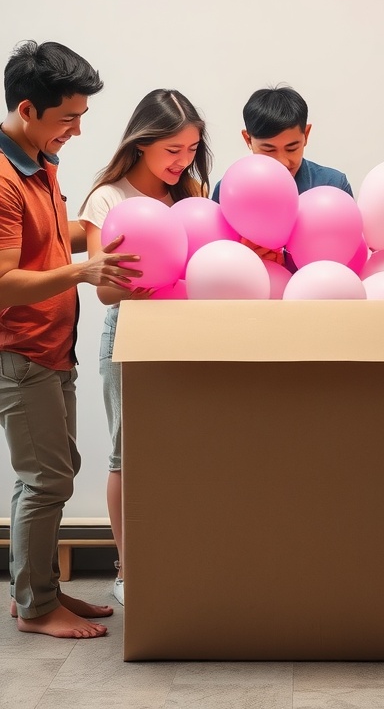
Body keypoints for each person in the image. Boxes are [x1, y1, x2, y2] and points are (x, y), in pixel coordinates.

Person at [0, 40, 142, 639]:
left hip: (54, 349)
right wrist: (81, 273)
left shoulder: (40, 161)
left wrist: (105, 228)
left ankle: (37, 593)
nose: (78, 131)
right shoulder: (6, 178)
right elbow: (5, 282)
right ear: (28, 109)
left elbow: (59, 236)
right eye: (69, 119)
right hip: (22, 352)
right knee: (48, 480)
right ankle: (36, 608)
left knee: (50, 473)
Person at [79, 89, 212, 605]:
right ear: (141, 143)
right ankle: (129, 569)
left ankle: (187, 558)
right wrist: (156, 278)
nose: (182, 161)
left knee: (191, 450)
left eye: (191, 149)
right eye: (172, 150)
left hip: (190, 331)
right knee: (127, 455)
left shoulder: (192, 192)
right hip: (130, 332)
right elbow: (105, 287)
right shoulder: (108, 198)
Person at [212, 86, 352, 264]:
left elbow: (349, 259)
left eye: (292, 148)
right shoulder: (228, 192)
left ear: (306, 135)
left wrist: (289, 263)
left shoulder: (333, 185)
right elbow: (216, 261)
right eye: (268, 149)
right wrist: (241, 256)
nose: (283, 162)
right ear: (248, 139)